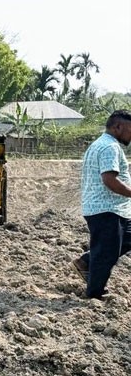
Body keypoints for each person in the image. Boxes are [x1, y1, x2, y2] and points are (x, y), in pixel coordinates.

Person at [72, 110, 131, 299]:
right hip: (106, 209)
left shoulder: (99, 144)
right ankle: (94, 294)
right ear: (118, 127)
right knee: (106, 253)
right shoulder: (110, 148)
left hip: (107, 208)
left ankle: (87, 260)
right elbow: (109, 179)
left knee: (113, 246)